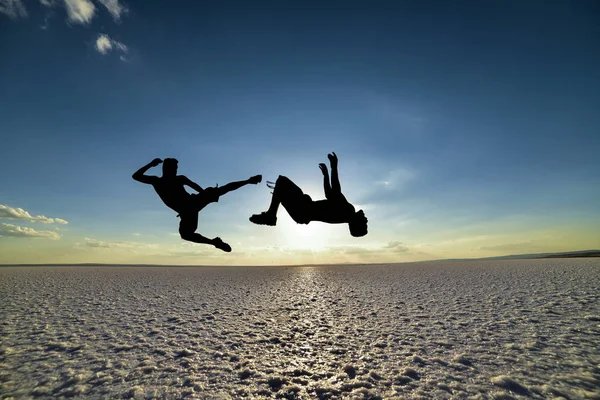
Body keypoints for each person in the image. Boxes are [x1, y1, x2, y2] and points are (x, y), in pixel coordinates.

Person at [133, 158, 262, 252]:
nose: (175, 171)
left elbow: (194, 186)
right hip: (188, 211)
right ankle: (215, 242)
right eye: (173, 168)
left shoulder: (176, 179)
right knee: (186, 235)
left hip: (192, 204)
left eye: (176, 169)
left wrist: (205, 195)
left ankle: (249, 181)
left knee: (222, 190)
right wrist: (150, 164)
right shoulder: (157, 181)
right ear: (165, 169)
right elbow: (136, 176)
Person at [250, 152, 368, 237]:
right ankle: (271, 215)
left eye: (364, 222)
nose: (366, 219)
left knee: (282, 181)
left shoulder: (348, 212)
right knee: (281, 185)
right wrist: (326, 175)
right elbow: (330, 194)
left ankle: (271, 216)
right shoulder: (345, 215)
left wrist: (334, 167)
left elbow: (335, 191)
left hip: (302, 210)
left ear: (356, 223)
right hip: (302, 212)